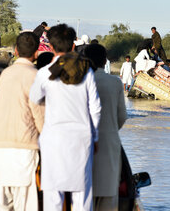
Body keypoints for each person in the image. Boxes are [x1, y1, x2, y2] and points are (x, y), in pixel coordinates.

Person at [29, 24, 101, 211]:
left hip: (53, 137)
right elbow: (95, 108)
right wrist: (94, 137)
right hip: (81, 137)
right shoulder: (87, 71)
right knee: (81, 193)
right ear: (72, 46)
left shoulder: (45, 73)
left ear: (51, 47)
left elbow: (35, 97)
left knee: (53, 194)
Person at [0, 32, 44, 210]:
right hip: (24, 150)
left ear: (15, 51)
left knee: (0, 204)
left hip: (0, 149)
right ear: (36, 53)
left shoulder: (4, 74)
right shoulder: (36, 77)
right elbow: (41, 119)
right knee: (25, 204)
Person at [84, 44, 127, 211]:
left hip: (83, 147)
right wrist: (109, 129)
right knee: (108, 199)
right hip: (109, 144)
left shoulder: (80, 82)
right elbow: (122, 117)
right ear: (105, 60)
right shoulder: (115, 83)